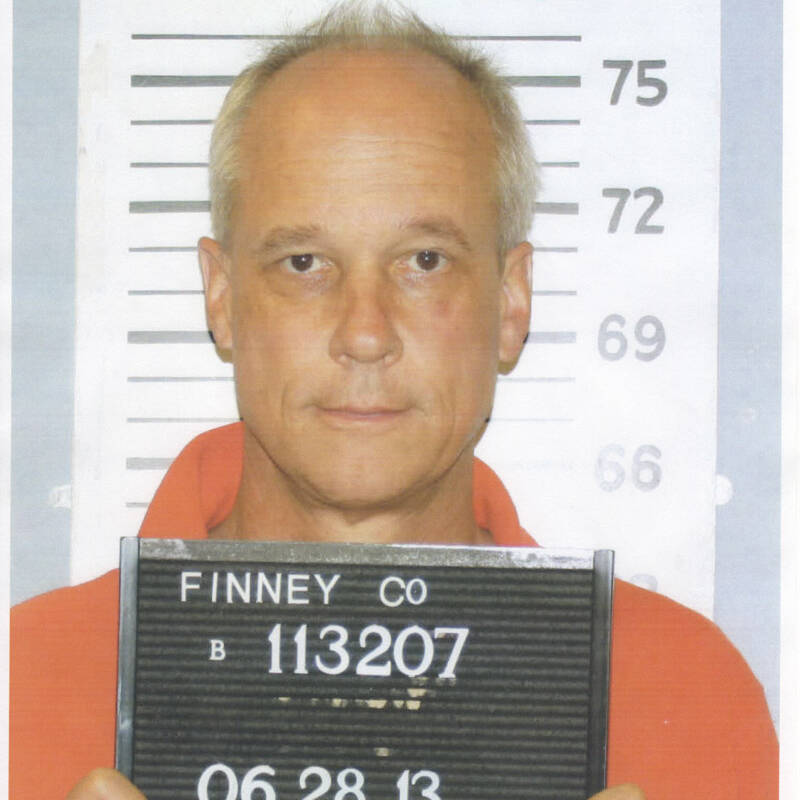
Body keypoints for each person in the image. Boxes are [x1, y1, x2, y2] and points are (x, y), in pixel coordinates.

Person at [11, 4, 776, 799]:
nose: (365, 334)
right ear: (223, 298)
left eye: (425, 261)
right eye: (303, 262)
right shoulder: (21, 680)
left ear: (511, 302)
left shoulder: (690, 695)